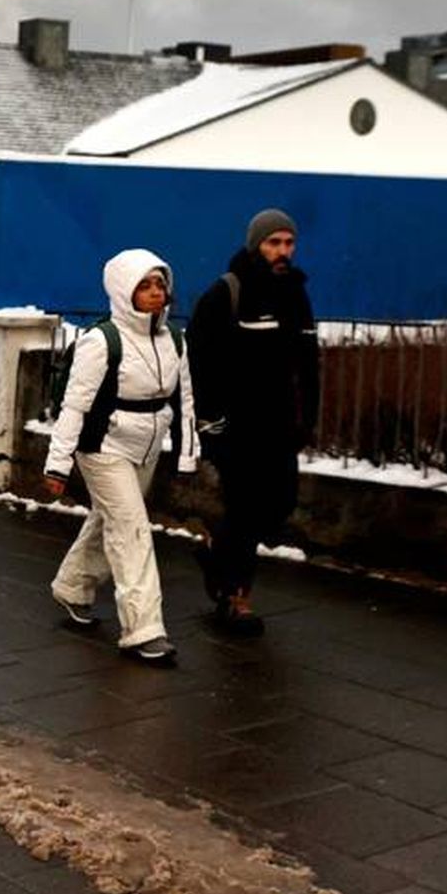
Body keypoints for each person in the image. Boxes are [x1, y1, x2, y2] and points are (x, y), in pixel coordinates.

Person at [44, 248, 198, 665]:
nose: (154, 293)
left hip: (146, 448)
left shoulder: (175, 341)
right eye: (144, 285)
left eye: (160, 284)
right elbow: (74, 406)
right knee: (131, 530)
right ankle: (144, 630)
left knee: (108, 520)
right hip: (103, 448)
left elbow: (184, 401)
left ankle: (73, 586)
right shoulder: (101, 341)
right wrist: (58, 463)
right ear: (122, 290)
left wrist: (186, 455)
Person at [186, 207, 320, 635]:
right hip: (237, 427)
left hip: (281, 427)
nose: (283, 251)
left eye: (288, 242)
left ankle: (219, 550)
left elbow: (308, 363)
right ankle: (235, 597)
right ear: (255, 245)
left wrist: (308, 418)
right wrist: (209, 421)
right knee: (244, 511)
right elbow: (199, 359)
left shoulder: (296, 293)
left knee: (280, 505)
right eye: (273, 242)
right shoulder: (227, 293)